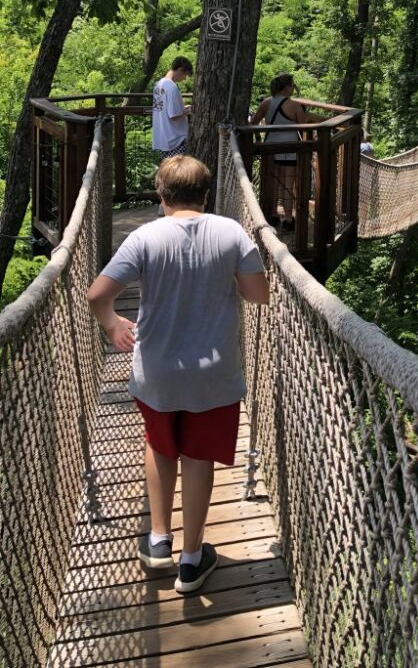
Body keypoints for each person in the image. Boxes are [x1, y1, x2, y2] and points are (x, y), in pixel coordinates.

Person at [87, 156, 269, 594]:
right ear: (206, 193)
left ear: (160, 194)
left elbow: (97, 294)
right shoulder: (231, 232)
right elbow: (258, 294)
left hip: (158, 371)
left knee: (159, 444)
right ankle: (191, 562)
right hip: (213, 374)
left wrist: (113, 324)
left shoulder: (144, 237)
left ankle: (157, 540)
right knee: (198, 456)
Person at [250, 73, 323, 230]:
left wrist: (258, 139)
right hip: (290, 149)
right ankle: (289, 219)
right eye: (292, 86)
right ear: (287, 87)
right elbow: (303, 126)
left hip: (270, 148)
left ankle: (273, 216)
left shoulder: (266, 103)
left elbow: (254, 122)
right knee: (288, 185)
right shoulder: (295, 106)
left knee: (274, 184)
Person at [152, 57, 193, 159]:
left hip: (163, 138)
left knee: (168, 172)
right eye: (185, 75)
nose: (184, 78)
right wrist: (187, 111)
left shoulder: (158, 85)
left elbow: (165, 109)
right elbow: (174, 116)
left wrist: (182, 108)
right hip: (175, 140)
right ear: (180, 70)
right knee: (178, 173)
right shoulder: (172, 87)